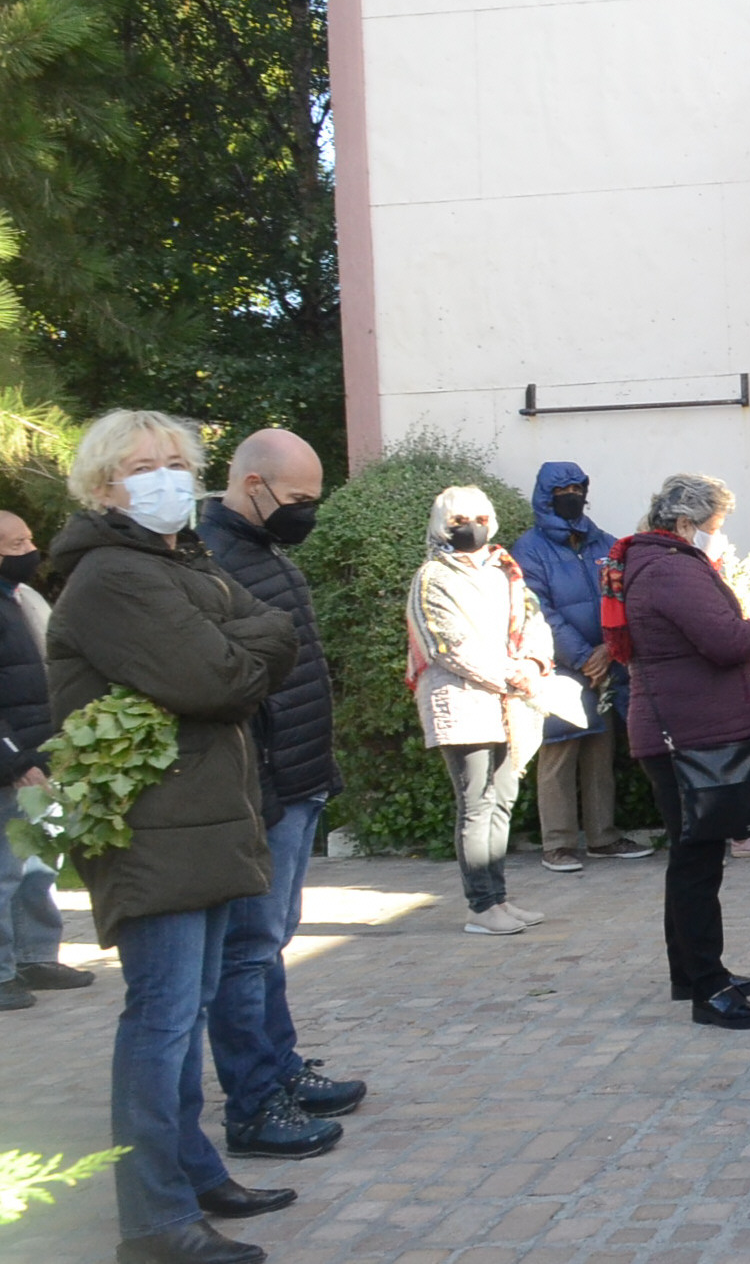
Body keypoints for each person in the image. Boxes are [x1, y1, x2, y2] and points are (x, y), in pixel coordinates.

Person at [47, 410, 299, 1264]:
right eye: (141, 465)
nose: (163, 477)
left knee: (184, 1012)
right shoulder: (113, 574)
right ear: (102, 485)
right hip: (156, 828)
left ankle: (192, 1172)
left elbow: (273, 632)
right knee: (158, 1020)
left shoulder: (176, 559)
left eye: (174, 462)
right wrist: (239, 647)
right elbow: (218, 673)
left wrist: (241, 644)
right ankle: (153, 1220)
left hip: (205, 819)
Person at [197, 430, 368, 1161]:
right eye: (299, 499)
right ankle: (256, 1099)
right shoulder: (212, 560)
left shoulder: (259, 550)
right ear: (255, 484)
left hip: (297, 776)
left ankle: (280, 1067)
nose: (307, 513)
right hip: (262, 788)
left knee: (270, 942)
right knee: (247, 947)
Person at [616, 473, 750, 1029]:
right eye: (715, 527)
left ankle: (692, 974)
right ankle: (708, 989)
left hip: (677, 729)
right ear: (686, 524)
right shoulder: (670, 567)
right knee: (697, 861)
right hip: (684, 736)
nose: (720, 537)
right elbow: (724, 640)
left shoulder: (656, 562)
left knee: (691, 858)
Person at [405, 487, 554, 937]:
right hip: (461, 699)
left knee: (502, 802)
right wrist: (512, 676)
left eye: (477, 517)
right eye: (457, 520)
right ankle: (481, 906)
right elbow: (447, 646)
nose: (469, 526)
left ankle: (500, 899)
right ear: (440, 526)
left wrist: (532, 664)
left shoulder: (506, 570)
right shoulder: (432, 576)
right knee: (476, 804)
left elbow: (534, 621)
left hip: (511, 700)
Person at [508, 462, 653, 871]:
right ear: (545, 494)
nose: (571, 494)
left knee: (600, 749)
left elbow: (624, 596)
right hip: (558, 667)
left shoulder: (603, 543)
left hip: (604, 666)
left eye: (577, 487)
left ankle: (602, 837)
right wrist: (583, 655)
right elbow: (537, 610)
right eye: (563, 488)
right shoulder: (529, 549)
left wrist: (609, 650)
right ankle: (558, 843)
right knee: (559, 750)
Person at [0, 508, 90, 1011]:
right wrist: (13, 762)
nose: (31, 552)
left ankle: (35, 956)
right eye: (17, 545)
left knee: (38, 864)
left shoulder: (19, 598)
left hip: (37, 756)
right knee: (3, 871)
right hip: (11, 764)